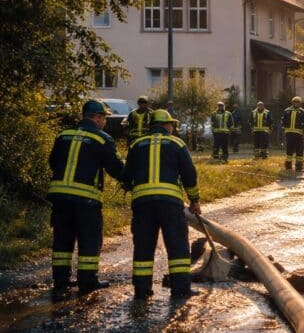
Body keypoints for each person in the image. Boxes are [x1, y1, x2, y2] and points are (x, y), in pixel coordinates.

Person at [120, 109, 201, 299]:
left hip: (142, 204)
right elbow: (189, 175)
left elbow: (126, 177)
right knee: (177, 245)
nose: (172, 127)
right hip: (170, 204)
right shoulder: (177, 144)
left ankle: (141, 290)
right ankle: (181, 289)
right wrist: (194, 200)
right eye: (171, 124)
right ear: (166, 125)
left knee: (143, 246)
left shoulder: (137, 144)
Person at [46, 100, 125, 294]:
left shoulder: (63, 136)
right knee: (89, 240)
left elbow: (53, 162)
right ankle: (87, 282)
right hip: (86, 201)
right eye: (104, 118)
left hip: (60, 198)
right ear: (97, 117)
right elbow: (115, 168)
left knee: (62, 241)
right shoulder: (102, 139)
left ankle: (60, 282)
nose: (105, 121)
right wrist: (130, 179)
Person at [281, 96, 304, 172]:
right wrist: (283, 126)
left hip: (299, 134)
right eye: (295, 102)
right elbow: (283, 120)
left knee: (299, 151)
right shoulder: (287, 110)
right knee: (289, 151)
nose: (297, 103)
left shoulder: (302, 111)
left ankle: (299, 167)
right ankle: (288, 167)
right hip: (289, 134)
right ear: (292, 102)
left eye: (298, 102)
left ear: (300, 103)